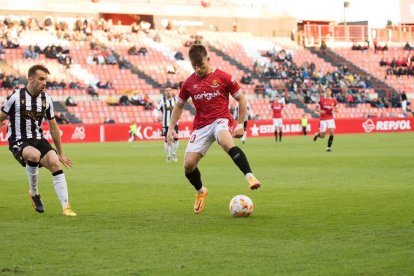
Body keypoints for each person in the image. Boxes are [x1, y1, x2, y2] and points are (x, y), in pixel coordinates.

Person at [166, 44, 261, 215]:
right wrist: (171, 128)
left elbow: (242, 100)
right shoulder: (188, 83)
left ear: (208, 60)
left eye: (201, 65)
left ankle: (249, 176)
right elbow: (178, 106)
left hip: (220, 120)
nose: (198, 69)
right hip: (201, 126)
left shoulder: (223, 77)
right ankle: (201, 191)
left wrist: (240, 125)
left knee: (226, 141)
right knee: (188, 165)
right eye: (194, 66)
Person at [0, 64, 76, 216]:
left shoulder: (46, 100)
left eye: (46, 79)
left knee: (55, 162)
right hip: (18, 139)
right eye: (41, 79)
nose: (44, 83)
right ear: (30, 79)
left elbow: (54, 127)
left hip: (37, 138)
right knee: (34, 155)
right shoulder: (16, 97)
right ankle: (34, 193)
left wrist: (60, 153)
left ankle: (66, 207)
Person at [153, 87, 179, 162]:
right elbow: (155, 110)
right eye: (166, 91)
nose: (168, 92)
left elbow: (180, 108)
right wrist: (157, 115)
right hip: (165, 123)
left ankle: (173, 154)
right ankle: (168, 156)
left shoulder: (176, 99)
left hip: (174, 123)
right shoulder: (162, 101)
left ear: (172, 92)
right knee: (167, 139)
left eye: (169, 90)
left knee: (176, 137)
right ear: (165, 92)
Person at [313, 87, 338, 152]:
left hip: (330, 118)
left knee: (332, 132)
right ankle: (317, 134)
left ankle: (328, 148)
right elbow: (315, 108)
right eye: (326, 91)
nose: (328, 92)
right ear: (325, 92)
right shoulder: (321, 100)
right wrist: (320, 111)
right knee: (322, 136)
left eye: (329, 91)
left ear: (331, 92)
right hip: (323, 119)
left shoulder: (334, 101)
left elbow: (337, 109)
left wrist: (334, 109)